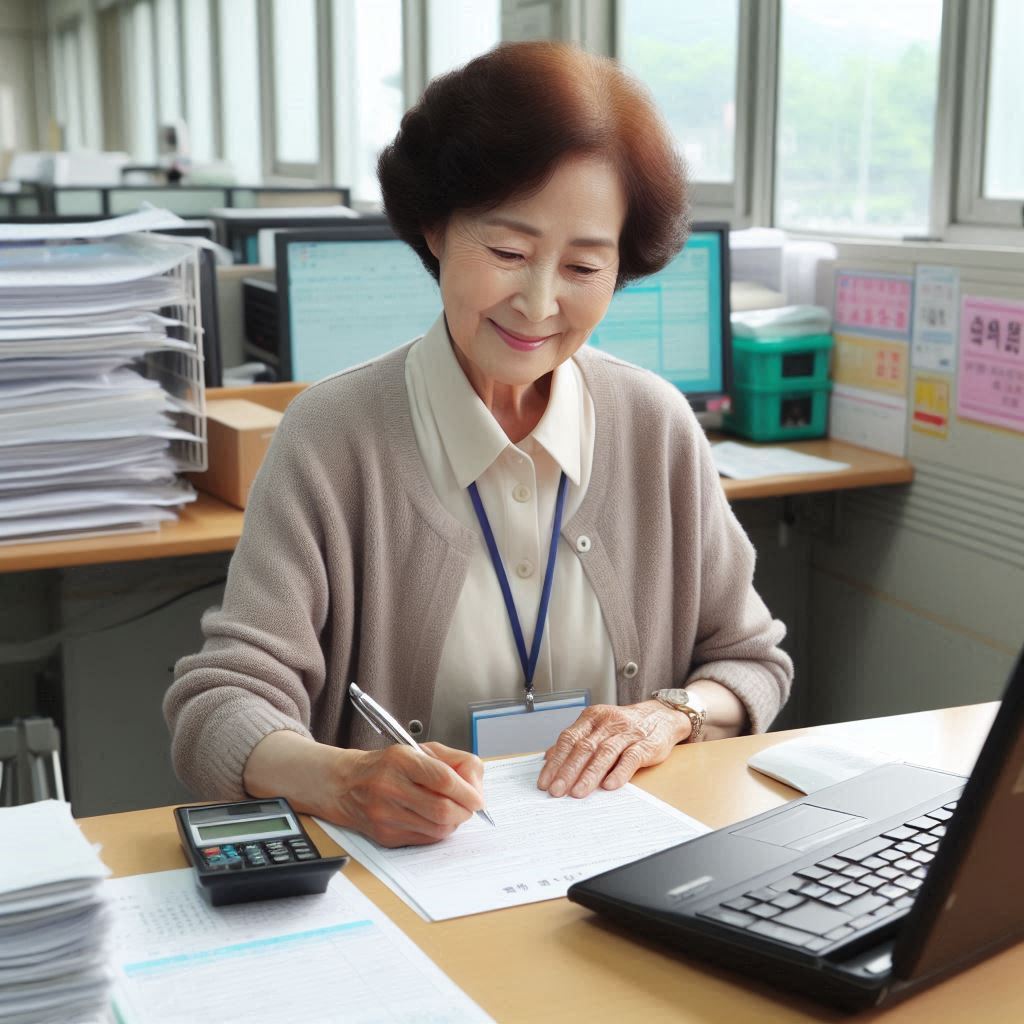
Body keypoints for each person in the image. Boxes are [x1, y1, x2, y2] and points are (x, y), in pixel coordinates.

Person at [165, 41, 793, 849]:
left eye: (584, 266)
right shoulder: (333, 436)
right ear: (435, 227)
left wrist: (667, 715)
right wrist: (345, 780)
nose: (538, 303)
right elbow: (216, 704)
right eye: (508, 253)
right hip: (409, 887)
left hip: (618, 865)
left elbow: (752, 663)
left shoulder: (656, 425)